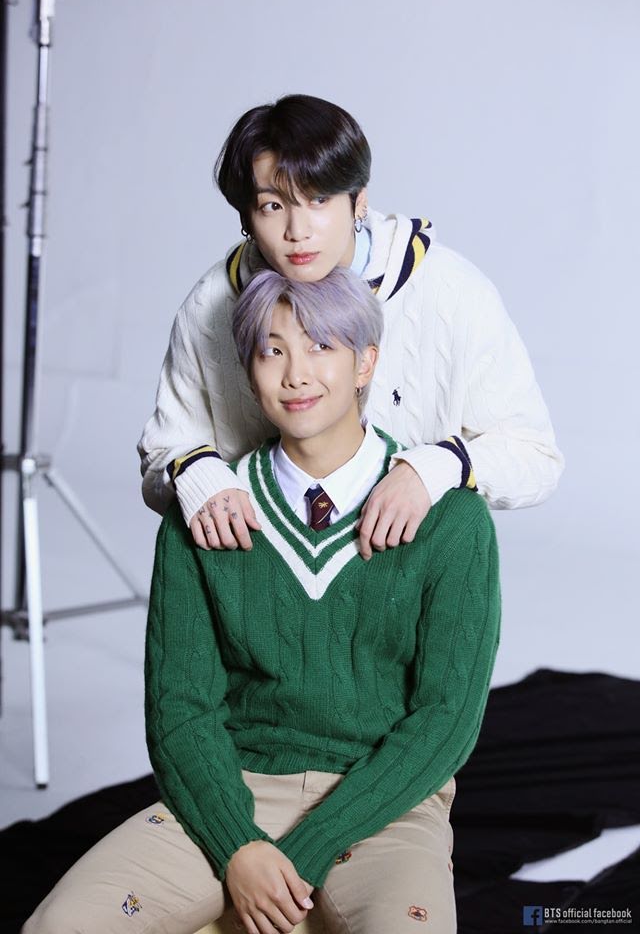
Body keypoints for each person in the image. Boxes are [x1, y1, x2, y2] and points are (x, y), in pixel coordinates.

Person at [24, 268, 501, 934]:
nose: (296, 374)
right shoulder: (205, 513)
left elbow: (445, 719)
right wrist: (239, 849)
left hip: (388, 801)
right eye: (272, 351)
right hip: (235, 788)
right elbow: (180, 707)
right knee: (62, 925)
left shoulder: (452, 519)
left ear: (366, 363)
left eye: (321, 346)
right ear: (248, 372)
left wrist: (302, 853)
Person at [138, 94, 563, 561]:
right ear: (247, 219)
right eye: (272, 206)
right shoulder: (210, 305)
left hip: (404, 567)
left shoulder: (452, 292)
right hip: (266, 566)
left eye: (318, 199)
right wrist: (197, 474)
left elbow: (536, 458)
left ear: (358, 200)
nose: (298, 231)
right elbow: (163, 453)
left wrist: (433, 467)